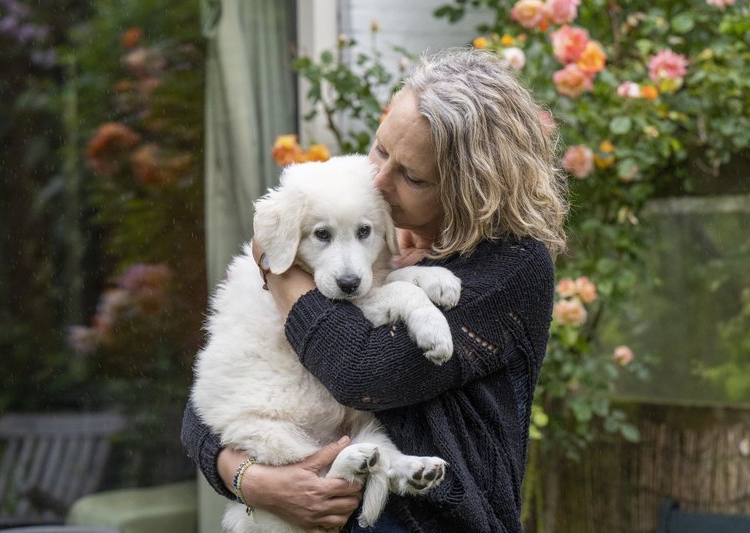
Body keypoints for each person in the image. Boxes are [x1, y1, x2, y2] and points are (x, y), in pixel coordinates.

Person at [181, 47, 568, 533]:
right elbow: (206, 405)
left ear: (471, 187)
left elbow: (362, 373)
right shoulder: (362, 232)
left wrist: (276, 271)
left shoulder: (510, 265)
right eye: (382, 149)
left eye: (412, 176)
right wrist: (253, 482)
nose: (379, 180)